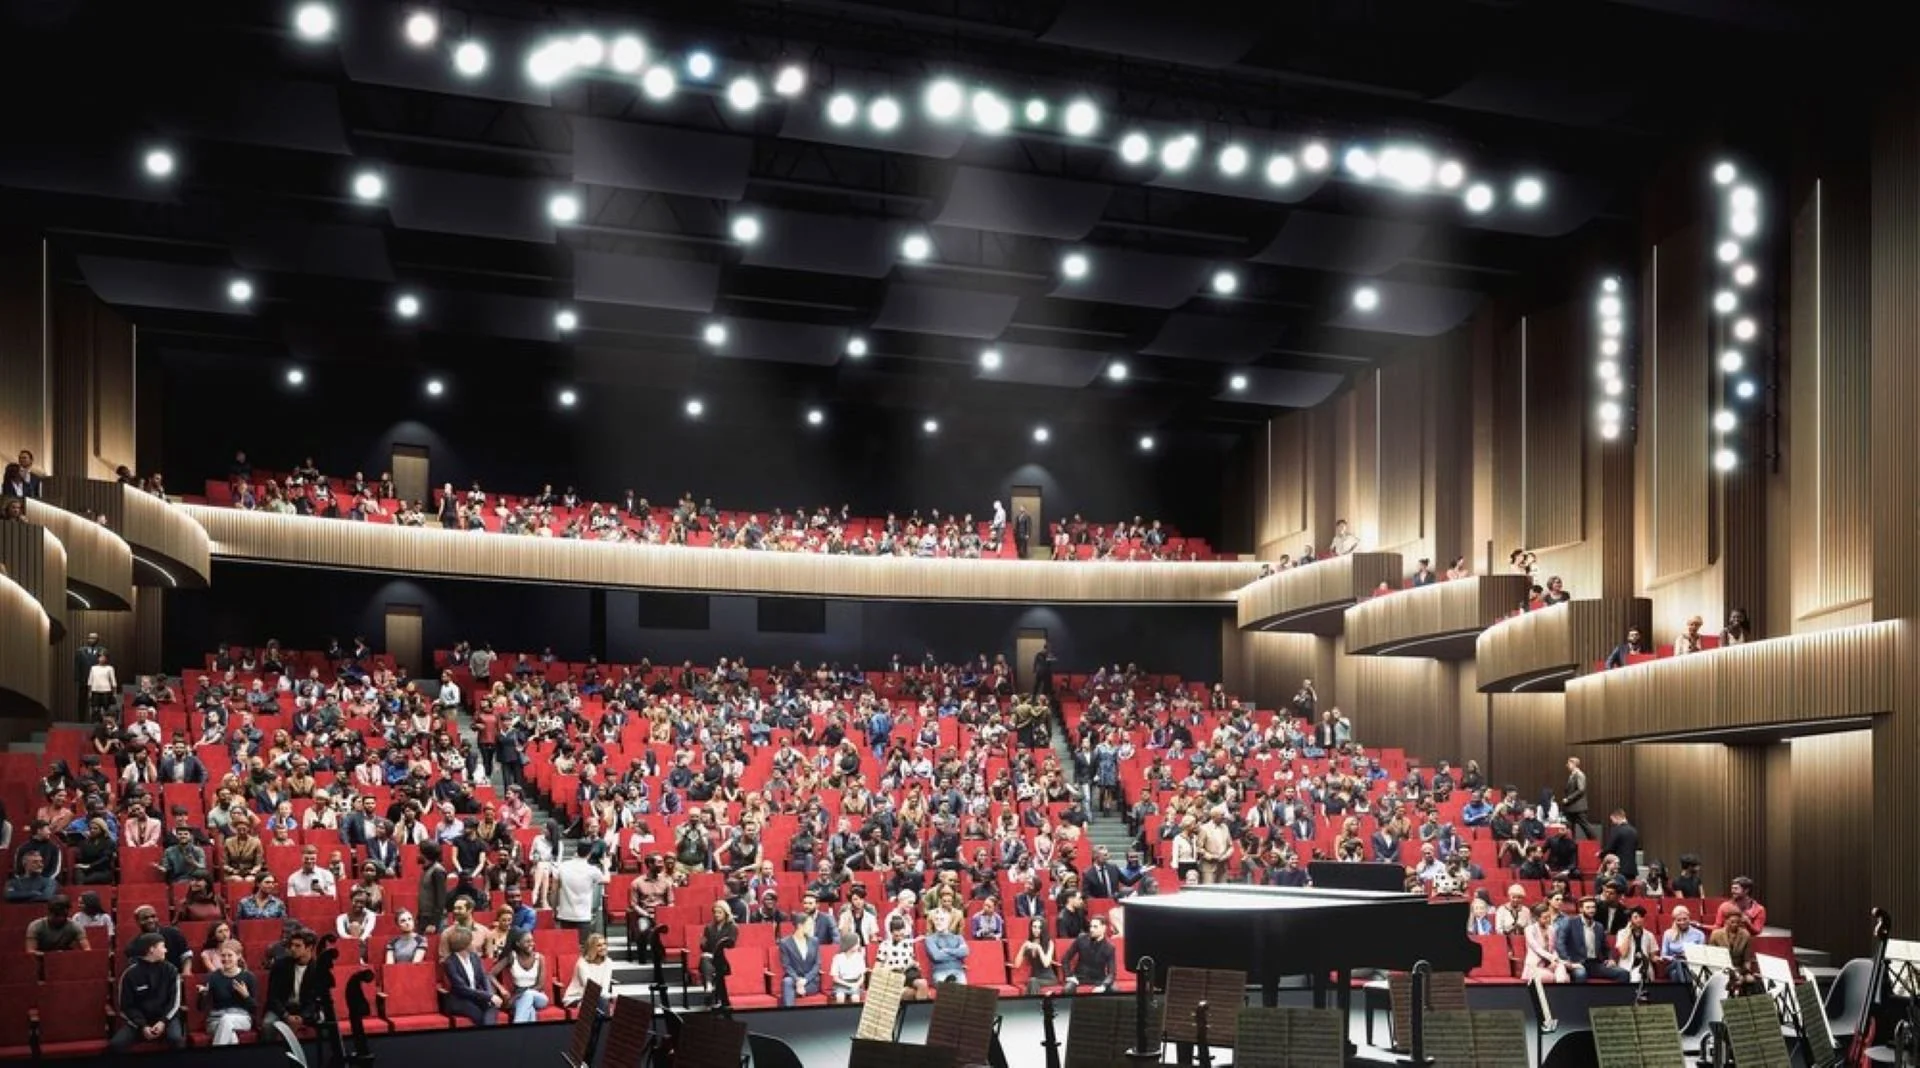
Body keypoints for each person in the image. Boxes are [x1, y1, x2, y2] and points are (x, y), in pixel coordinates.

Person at [111, 932, 186, 1050]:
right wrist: (143, 1026)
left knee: (176, 1039)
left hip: (167, 1018)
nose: (166, 950)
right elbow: (126, 1006)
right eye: (163, 946)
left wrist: (163, 1022)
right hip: (139, 1021)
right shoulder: (129, 974)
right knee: (116, 1044)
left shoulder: (171, 970)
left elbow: (175, 1002)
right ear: (151, 949)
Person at [263, 928, 327, 1038]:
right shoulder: (280, 966)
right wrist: (286, 1015)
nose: (292, 949)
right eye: (291, 945)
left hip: (305, 1009)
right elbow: (272, 997)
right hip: (282, 1008)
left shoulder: (318, 970)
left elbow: (315, 1000)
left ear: (309, 947)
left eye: (297, 946)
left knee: (326, 1022)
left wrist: (302, 1017)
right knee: (267, 1024)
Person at [1555, 897, 1629, 983]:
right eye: (1588, 907)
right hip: (1577, 963)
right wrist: (1568, 961)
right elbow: (1560, 943)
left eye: (1593, 907)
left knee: (1623, 973)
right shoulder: (1570, 922)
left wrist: (1610, 959)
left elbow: (1605, 947)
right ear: (1581, 909)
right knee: (1581, 974)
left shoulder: (1599, 926)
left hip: (1595, 963)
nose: (1591, 910)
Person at [442, 927, 499, 1026]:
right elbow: (462, 988)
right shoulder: (450, 962)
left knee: (492, 1005)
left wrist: (490, 995)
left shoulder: (474, 957)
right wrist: (488, 996)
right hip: (459, 999)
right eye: (471, 941)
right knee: (477, 1013)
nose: (474, 943)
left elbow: (484, 977)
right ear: (464, 945)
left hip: (476, 996)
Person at [204, 940, 258, 1046]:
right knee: (231, 1036)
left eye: (230, 955)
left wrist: (246, 996)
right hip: (215, 1020)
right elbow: (201, 1007)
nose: (226, 959)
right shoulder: (213, 977)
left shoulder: (248, 977)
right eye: (223, 955)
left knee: (226, 1020)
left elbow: (254, 1008)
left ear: (238, 956)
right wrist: (203, 994)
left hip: (241, 1019)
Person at [555, 841, 608, 947]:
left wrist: (554, 908)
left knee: (567, 947)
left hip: (565, 914)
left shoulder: (562, 866)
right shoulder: (592, 870)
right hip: (583, 915)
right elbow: (607, 880)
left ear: (576, 850)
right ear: (590, 853)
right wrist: (606, 866)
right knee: (583, 947)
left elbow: (555, 889)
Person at [493, 929, 551, 1023]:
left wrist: (518, 996)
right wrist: (501, 989)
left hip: (538, 996)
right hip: (519, 997)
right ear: (518, 944)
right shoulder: (512, 957)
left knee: (528, 995)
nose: (531, 944)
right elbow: (490, 975)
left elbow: (540, 985)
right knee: (530, 1009)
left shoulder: (540, 958)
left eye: (532, 941)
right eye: (527, 942)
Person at [874, 915, 928, 1000]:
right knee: (910, 993)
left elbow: (919, 940)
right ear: (891, 933)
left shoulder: (908, 943)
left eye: (902, 935)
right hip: (894, 974)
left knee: (923, 983)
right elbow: (877, 966)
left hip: (909, 973)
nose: (900, 938)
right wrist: (889, 969)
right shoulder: (884, 945)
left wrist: (914, 963)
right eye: (897, 935)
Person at [1060, 915, 1115, 993]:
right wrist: (1069, 975)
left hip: (1099, 979)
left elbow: (1111, 973)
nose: (1091, 929)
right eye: (1091, 926)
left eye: (1095, 927)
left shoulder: (1109, 947)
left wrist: (1104, 985)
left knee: (1115, 989)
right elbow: (1065, 959)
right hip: (1079, 977)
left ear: (1103, 928)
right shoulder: (1081, 939)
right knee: (1067, 989)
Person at [700, 900, 740, 1008]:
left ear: (726, 913)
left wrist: (715, 953)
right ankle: (709, 986)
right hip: (710, 958)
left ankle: (709, 990)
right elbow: (705, 948)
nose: (716, 915)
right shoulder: (709, 927)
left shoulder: (732, 927)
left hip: (725, 959)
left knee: (708, 962)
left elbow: (730, 945)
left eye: (719, 912)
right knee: (704, 958)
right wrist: (703, 943)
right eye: (715, 912)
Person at [562, 933, 615, 1008]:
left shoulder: (608, 962)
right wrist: (610, 996)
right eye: (599, 945)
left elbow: (605, 987)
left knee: (603, 1001)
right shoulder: (582, 963)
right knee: (600, 1002)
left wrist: (612, 996)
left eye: (604, 944)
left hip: (598, 997)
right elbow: (590, 988)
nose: (603, 947)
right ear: (592, 948)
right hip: (576, 998)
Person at [777, 919, 822, 1006]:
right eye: (809, 924)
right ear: (800, 926)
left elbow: (817, 964)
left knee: (788, 991)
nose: (811, 927)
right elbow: (786, 966)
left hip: (810, 980)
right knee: (787, 982)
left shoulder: (814, 941)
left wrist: (805, 980)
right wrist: (798, 980)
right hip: (794, 979)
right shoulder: (785, 943)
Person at [25, 895, 89, 955]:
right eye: (56, 915)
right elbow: (31, 952)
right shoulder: (35, 926)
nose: (61, 918)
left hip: (66, 959)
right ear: (49, 912)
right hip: (41, 959)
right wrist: (51, 956)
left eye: (64, 915)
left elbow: (87, 950)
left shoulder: (75, 926)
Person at [1015, 915, 1058, 994]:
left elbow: (1046, 963)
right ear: (1031, 928)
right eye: (1034, 927)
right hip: (1034, 978)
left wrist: (1039, 948)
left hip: (1048, 978)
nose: (1036, 930)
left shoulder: (1049, 943)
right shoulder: (1028, 943)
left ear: (1043, 929)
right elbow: (1017, 965)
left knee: (1032, 981)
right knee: (1032, 981)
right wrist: (1023, 947)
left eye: (1039, 927)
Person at [1600, 809, 1640, 882]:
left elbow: (1610, 848)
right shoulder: (1634, 831)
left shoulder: (1617, 830)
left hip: (1619, 869)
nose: (1612, 823)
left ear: (1617, 817)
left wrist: (1600, 854)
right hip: (1632, 870)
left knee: (1618, 888)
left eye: (1612, 820)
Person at [829, 932, 867, 1003]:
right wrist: (849, 985)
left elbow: (862, 977)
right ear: (850, 944)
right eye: (857, 943)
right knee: (840, 996)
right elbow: (835, 978)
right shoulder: (838, 958)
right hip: (841, 984)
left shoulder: (859, 957)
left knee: (855, 997)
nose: (859, 945)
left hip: (855, 983)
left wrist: (857, 984)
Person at [1561, 757, 1593, 840]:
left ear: (1574, 764)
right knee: (1570, 828)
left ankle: (1594, 842)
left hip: (1578, 807)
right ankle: (1571, 844)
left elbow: (1581, 789)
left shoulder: (1579, 775)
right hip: (1572, 807)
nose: (1567, 765)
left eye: (1568, 763)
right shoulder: (1572, 775)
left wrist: (1568, 799)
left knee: (1585, 826)